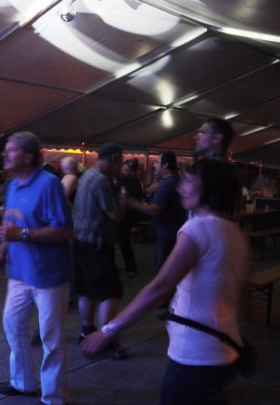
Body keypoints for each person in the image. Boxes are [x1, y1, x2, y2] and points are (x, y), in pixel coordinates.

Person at [82, 158, 247, 404]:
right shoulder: (234, 232)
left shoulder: (198, 228)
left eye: (188, 181)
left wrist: (108, 330)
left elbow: (160, 287)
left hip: (196, 352)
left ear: (209, 189)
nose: (180, 188)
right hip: (226, 347)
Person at [0, 132, 73, 405]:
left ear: (28, 156)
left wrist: (22, 234)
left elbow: (64, 230)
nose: (5, 154)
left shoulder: (49, 184)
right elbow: (10, 226)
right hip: (20, 273)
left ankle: (54, 396)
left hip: (48, 274)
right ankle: (23, 383)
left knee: (51, 337)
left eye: (11, 150)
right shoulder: (12, 186)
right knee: (13, 326)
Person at [72, 143, 126, 356]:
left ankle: (86, 331)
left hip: (81, 241)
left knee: (87, 289)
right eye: (120, 161)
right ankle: (105, 339)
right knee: (111, 292)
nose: (121, 165)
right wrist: (124, 200)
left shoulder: (88, 175)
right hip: (97, 243)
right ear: (113, 159)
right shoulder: (103, 180)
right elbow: (116, 214)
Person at [125, 151, 186, 271]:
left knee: (163, 267)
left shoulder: (168, 184)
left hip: (167, 231)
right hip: (171, 229)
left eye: (157, 162)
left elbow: (155, 210)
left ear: (165, 165)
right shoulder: (173, 180)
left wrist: (131, 201)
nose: (154, 165)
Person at [117, 159, 144, 278]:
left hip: (127, 216)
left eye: (126, 170)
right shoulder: (122, 179)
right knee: (122, 241)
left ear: (132, 172)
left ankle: (131, 268)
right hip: (121, 214)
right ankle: (130, 268)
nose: (123, 171)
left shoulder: (134, 183)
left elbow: (134, 200)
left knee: (124, 242)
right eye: (123, 168)